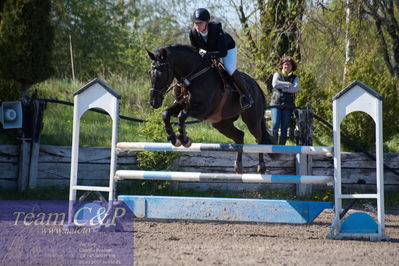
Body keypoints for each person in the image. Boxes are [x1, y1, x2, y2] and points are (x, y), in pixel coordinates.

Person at [189, 8, 254, 110]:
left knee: (229, 68)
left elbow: (223, 53)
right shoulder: (193, 33)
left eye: (200, 23)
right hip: (209, 51)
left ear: (207, 22)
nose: (197, 26)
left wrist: (207, 55)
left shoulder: (216, 30)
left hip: (227, 48)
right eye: (195, 23)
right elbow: (195, 49)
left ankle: (246, 95)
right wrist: (203, 54)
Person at [270, 56, 300, 145]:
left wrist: (282, 88)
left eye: (289, 65)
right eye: (285, 64)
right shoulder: (277, 75)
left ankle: (281, 147)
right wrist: (287, 84)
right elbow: (275, 84)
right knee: (275, 125)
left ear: (292, 67)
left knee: (284, 127)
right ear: (282, 65)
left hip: (288, 104)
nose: (287, 66)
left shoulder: (295, 78)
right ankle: (273, 145)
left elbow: (295, 88)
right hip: (276, 103)